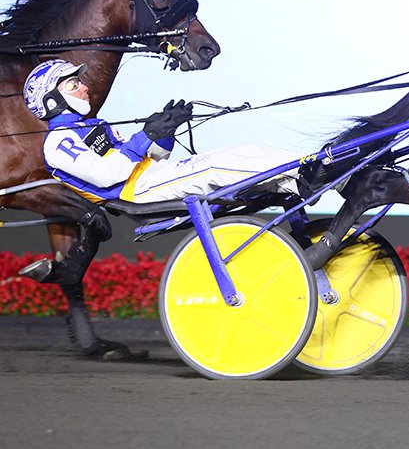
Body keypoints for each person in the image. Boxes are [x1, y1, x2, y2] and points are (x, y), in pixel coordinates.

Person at [19, 59, 300, 283]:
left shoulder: (97, 124)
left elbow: (153, 156)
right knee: (215, 168)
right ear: (52, 100)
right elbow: (105, 175)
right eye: (73, 84)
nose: (83, 87)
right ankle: (304, 171)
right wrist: (145, 136)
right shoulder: (58, 142)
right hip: (137, 192)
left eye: (79, 81)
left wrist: (164, 133)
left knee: (237, 152)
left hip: (153, 176)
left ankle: (301, 172)